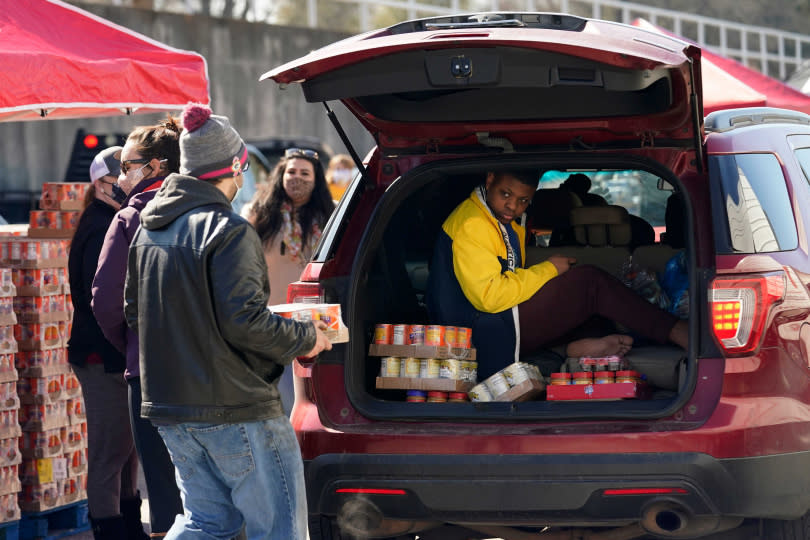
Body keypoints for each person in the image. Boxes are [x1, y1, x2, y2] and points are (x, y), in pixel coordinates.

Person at [123, 103, 332, 540]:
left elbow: (132, 313)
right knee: (278, 528)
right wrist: (306, 336)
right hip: (235, 406)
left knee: (208, 524)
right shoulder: (229, 229)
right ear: (235, 167)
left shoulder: (149, 229)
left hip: (169, 405)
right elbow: (247, 324)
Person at [426, 168, 688, 380]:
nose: (512, 207)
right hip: (476, 332)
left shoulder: (501, 221)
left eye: (523, 201)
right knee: (589, 283)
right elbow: (490, 298)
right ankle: (677, 331)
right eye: (505, 194)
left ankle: (571, 348)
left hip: (495, 321)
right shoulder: (473, 223)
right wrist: (549, 269)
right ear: (490, 178)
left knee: (589, 307)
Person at [91, 117, 184, 538]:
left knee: (162, 485)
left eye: (127, 164)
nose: (120, 174)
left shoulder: (129, 218)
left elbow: (106, 300)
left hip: (147, 367)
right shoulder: (209, 211)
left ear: (154, 167)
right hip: (208, 366)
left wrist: (129, 340)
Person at [67, 146, 147, 540]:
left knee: (127, 450)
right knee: (109, 453)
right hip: (101, 354)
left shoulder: (113, 220)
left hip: (114, 353)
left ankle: (129, 524)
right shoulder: (101, 225)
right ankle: (110, 529)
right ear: (101, 183)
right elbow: (98, 298)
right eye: (122, 176)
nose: (128, 184)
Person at [244, 147, 335, 414]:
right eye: (291, 172)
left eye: (305, 174)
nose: (297, 178)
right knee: (279, 399)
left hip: (316, 322)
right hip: (270, 322)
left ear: (316, 179)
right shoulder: (258, 216)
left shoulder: (331, 219)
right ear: (281, 175)